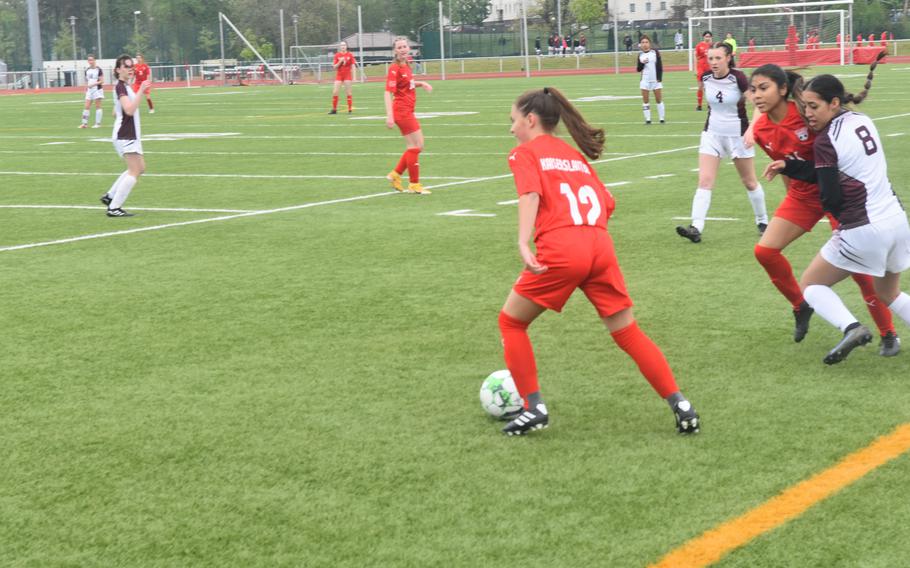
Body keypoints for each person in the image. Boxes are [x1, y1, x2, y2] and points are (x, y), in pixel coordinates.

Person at [498, 86, 700, 436]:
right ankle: (680, 403)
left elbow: (530, 193)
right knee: (627, 331)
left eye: (513, 120)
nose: (511, 129)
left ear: (530, 120)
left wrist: (523, 240)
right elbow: (608, 200)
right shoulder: (574, 156)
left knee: (511, 323)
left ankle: (533, 408)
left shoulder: (524, 153)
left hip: (563, 249)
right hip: (600, 246)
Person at [765, 54, 910, 364]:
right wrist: (791, 166)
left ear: (833, 103)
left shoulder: (826, 140)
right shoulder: (862, 121)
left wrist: (833, 216)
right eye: (804, 107)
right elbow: (839, 169)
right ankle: (872, 330)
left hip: (864, 228)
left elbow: (829, 194)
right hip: (897, 222)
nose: (807, 114)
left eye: (814, 107)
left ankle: (852, 327)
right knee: (889, 293)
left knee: (810, 285)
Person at [677, 42, 767, 243]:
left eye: (718, 58)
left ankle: (763, 220)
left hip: (737, 135)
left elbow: (759, 105)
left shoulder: (739, 78)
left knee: (750, 182)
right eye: (710, 58)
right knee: (705, 181)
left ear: (728, 58)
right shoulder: (705, 77)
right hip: (712, 135)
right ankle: (696, 227)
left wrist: (752, 130)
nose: (714, 62)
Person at [99, 54, 151, 218]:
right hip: (126, 135)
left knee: (140, 168)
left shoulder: (125, 87)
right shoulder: (121, 86)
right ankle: (114, 207)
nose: (130, 68)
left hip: (129, 134)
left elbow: (117, 111)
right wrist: (141, 91)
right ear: (118, 70)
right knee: (134, 171)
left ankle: (110, 196)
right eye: (126, 66)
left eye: (131, 66)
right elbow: (129, 110)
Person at [384, 37, 432, 195]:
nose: (403, 49)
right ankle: (414, 184)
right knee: (416, 146)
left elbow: (407, 84)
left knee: (415, 146)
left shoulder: (407, 65)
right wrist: (389, 115)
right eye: (399, 47)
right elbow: (387, 92)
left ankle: (395, 174)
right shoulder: (394, 68)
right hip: (401, 111)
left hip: (407, 110)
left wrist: (421, 84)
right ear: (395, 51)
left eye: (405, 46)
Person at [636, 35, 665, 125]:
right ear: (640, 44)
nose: (645, 44)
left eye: (646, 42)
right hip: (645, 81)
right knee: (645, 100)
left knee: (658, 99)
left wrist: (659, 78)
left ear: (650, 43)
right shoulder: (640, 55)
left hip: (655, 81)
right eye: (643, 42)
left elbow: (660, 66)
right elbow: (638, 69)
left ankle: (661, 118)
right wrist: (642, 63)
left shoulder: (655, 52)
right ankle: (648, 119)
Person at [329, 40, 357, 114]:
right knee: (335, 92)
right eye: (341, 45)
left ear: (346, 46)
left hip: (347, 75)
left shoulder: (350, 55)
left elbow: (353, 66)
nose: (343, 46)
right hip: (339, 75)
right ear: (340, 47)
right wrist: (340, 61)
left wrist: (354, 77)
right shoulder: (337, 55)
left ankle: (350, 110)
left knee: (348, 93)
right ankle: (334, 110)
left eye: (344, 45)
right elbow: (334, 67)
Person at [79, 55, 104, 128]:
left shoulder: (99, 70)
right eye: (89, 60)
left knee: (98, 106)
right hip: (89, 91)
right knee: (86, 106)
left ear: (95, 60)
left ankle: (98, 124)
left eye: (92, 60)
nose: (90, 61)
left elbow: (102, 81)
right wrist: (86, 88)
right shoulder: (87, 70)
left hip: (97, 89)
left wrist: (93, 84)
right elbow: (87, 81)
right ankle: (84, 124)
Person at [694, 31, 713, 111]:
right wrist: (695, 69)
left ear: (711, 37)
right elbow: (695, 57)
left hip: (710, 68)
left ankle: (709, 105)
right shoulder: (699, 46)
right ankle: (699, 105)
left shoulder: (713, 46)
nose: (707, 38)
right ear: (703, 37)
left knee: (709, 88)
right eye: (706, 36)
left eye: (709, 36)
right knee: (700, 87)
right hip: (701, 68)